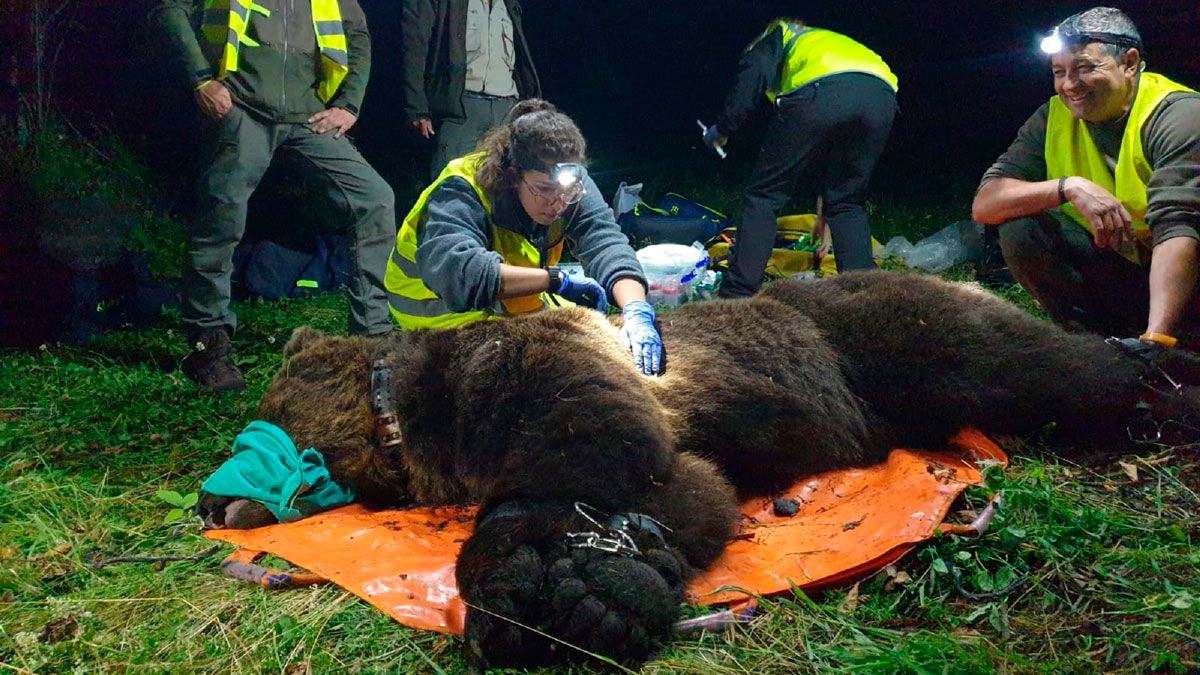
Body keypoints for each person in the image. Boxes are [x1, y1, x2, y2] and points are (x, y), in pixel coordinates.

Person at [153, 0, 398, 392]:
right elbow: (171, 9)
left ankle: (373, 338)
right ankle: (208, 346)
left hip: (308, 115)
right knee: (221, 216)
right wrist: (201, 78)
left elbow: (357, 35)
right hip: (242, 107)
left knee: (374, 198)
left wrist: (349, 103)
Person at [972, 7, 1200, 352]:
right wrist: (1067, 187)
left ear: (1130, 63)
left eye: (1084, 68)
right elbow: (986, 204)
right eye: (1059, 72)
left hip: (1186, 274)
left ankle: (1163, 342)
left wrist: (1157, 339)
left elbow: (1179, 228)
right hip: (1133, 269)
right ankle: (1091, 347)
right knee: (1021, 226)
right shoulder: (1053, 117)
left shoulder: (1179, 114)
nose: (1069, 85)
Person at [384, 99, 663, 375]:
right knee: (546, 367)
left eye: (568, 191)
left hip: (508, 292)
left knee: (583, 340)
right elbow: (462, 276)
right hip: (437, 307)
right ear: (513, 175)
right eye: (544, 189)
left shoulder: (566, 178)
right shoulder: (460, 190)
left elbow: (604, 240)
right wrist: (556, 281)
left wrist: (636, 310)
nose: (559, 203)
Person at [702, 18, 897, 298]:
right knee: (846, 201)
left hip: (821, 89)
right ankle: (863, 296)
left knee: (764, 196)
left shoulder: (776, 34)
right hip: (881, 96)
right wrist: (821, 216)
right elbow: (823, 153)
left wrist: (722, 129)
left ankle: (737, 296)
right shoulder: (824, 42)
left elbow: (753, 72)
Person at [402, 0, 541, 178]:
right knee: (451, 186)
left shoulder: (510, 5)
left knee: (505, 189)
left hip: (506, 111)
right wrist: (416, 107)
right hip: (461, 109)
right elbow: (414, 46)